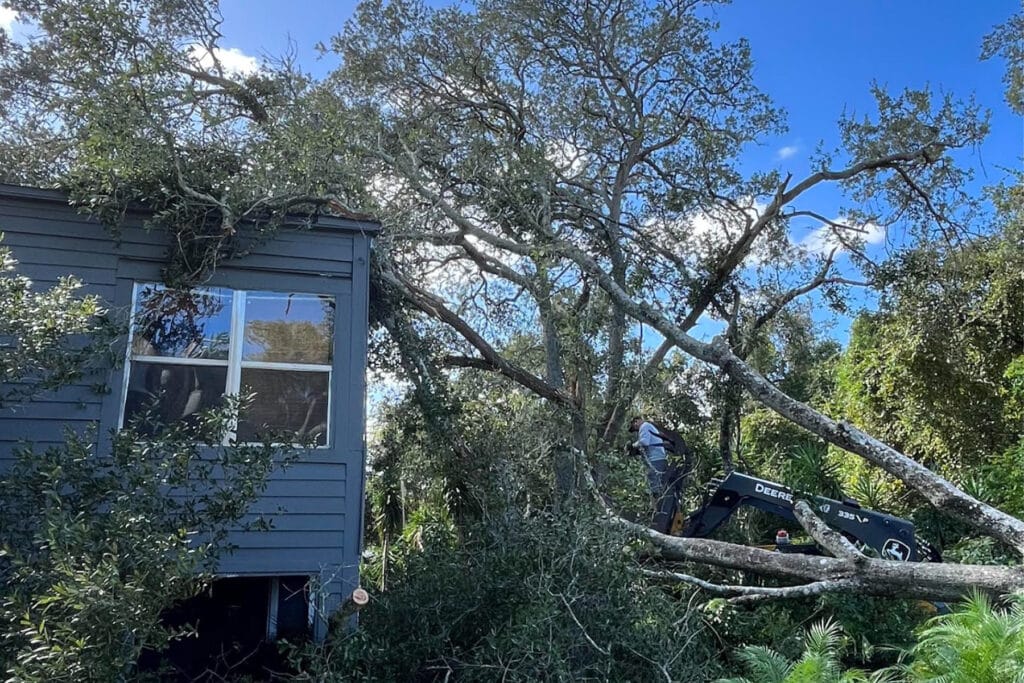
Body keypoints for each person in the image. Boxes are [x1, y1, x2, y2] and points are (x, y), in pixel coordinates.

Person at [628, 415, 672, 532]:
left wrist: (632, 445)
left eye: (634, 426)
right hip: (658, 458)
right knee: (656, 485)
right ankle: (657, 511)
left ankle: (658, 514)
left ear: (636, 421)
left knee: (655, 487)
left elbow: (645, 442)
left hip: (655, 460)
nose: (635, 429)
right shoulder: (650, 428)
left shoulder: (645, 426)